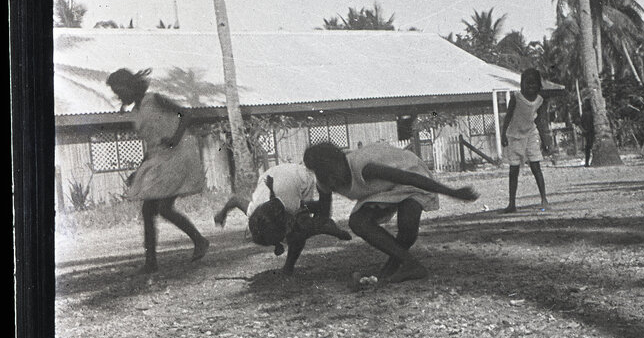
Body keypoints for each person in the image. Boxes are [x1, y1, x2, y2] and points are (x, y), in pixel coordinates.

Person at [302, 141, 479, 285]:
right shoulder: (325, 182)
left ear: (341, 161)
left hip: (410, 175)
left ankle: (401, 264)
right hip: (381, 191)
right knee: (358, 222)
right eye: (327, 177)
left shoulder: (364, 167)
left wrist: (452, 192)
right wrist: (300, 212)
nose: (334, 181)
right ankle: (409, 263)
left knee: (407, 225)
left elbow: (410, 178)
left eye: (333, 173)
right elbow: (324, 216)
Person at [106, 68, 210, 274]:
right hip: (159, 158)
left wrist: (175, 139)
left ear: (130, 86)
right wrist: (139, 170)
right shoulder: (136, 111)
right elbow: (152, 143)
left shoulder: (155, 99)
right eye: (116, 93)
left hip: (178, 153)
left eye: (120, 91)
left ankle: (194, 243)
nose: (119, 96)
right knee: (152, 210)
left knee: (159, 208)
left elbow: (186, 114)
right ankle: (158, 259)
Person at [214, 162, 352, 274]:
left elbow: (292, 228)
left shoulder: (291, 208)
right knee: (271, 232)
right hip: (273, 174)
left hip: (300, 177)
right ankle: (319, 221)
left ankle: (290, 266)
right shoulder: (254, 210)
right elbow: (235, 200)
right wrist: (222, 213)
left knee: (301, 231)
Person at [500, 68, 550, 212]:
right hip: (514, 136)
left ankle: (544, 199)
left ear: (538, 85)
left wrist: (545, 141)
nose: (531, 87)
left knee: (536, 167)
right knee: (513, 170)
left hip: (531, 134)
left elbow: (540, 121)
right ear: (522, 85)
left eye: (534, 84)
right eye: (527, 84)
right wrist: (503, 135)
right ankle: (511, 204)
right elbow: (508, 117)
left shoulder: (540, 100)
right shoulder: (516, 98)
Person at [579, 97, 595, 167]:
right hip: (590, 132)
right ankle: (587, 162)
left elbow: (580, 124)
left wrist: (583, 130)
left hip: (590, 132)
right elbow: (580, 123)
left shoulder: (587, 114)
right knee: (589, 147)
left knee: (588, 148)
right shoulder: (589, 114)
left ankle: (587, 162)